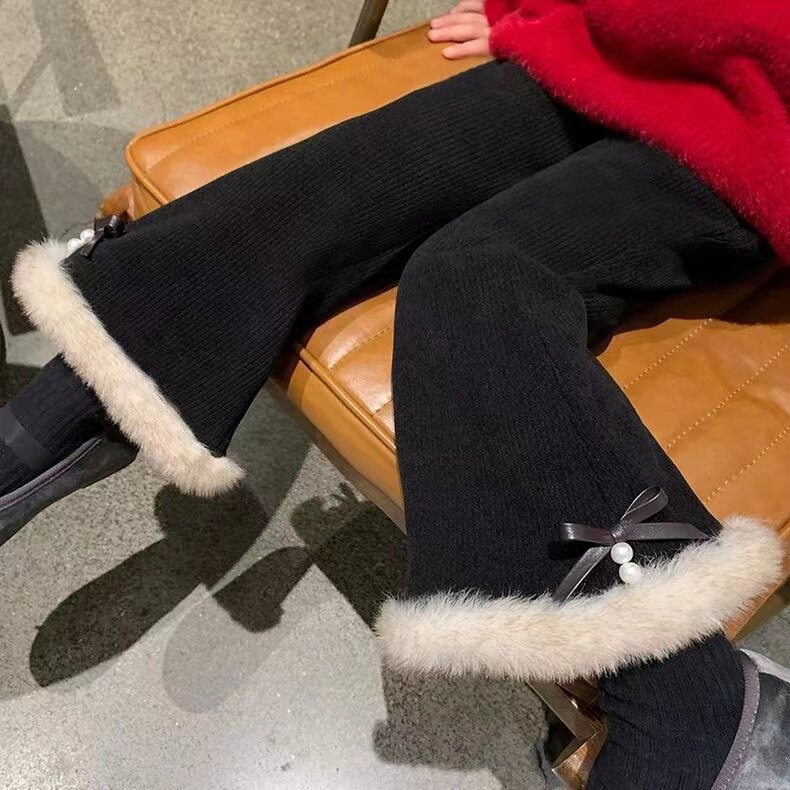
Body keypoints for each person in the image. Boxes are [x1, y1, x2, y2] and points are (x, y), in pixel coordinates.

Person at [3, 1, 789, 787]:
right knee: (342, 176)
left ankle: (687, 695)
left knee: (476, 276)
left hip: (758, 125)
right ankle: (81, 399)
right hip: (609, 41)